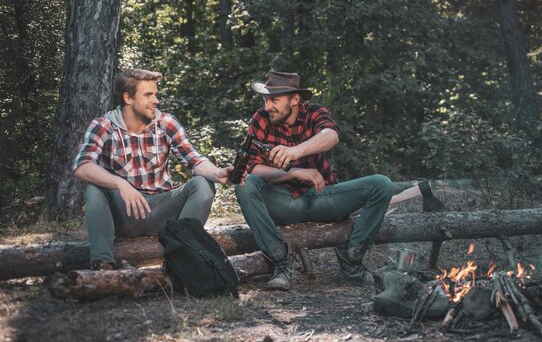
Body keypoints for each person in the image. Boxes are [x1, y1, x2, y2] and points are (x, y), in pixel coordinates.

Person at [235, 71, 394, 291]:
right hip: (283, 202)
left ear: (295, 99)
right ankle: (280, 262)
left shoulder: (315, 112)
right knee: (245, 183)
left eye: (274, 100)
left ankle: (352, 262)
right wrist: (293, 172)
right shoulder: (261, 119)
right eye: (266, 99)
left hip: (322, 197)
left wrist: (294, 152)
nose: (268, 105)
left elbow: (331, 135)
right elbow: (253, 168)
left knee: (382, 184)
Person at [73, 69, 234, 270]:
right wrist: (120, 184)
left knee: (202, 184)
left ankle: (181, 258)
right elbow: (82, 166)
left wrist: (218, 174)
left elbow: (194, 159)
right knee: (93, 187)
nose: (156, 100)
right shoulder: (104, 126)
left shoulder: (166, 123)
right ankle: (103, 265)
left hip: (162, 211)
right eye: (148, 95)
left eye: (156, 94)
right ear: (128, 98)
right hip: (126, 214)